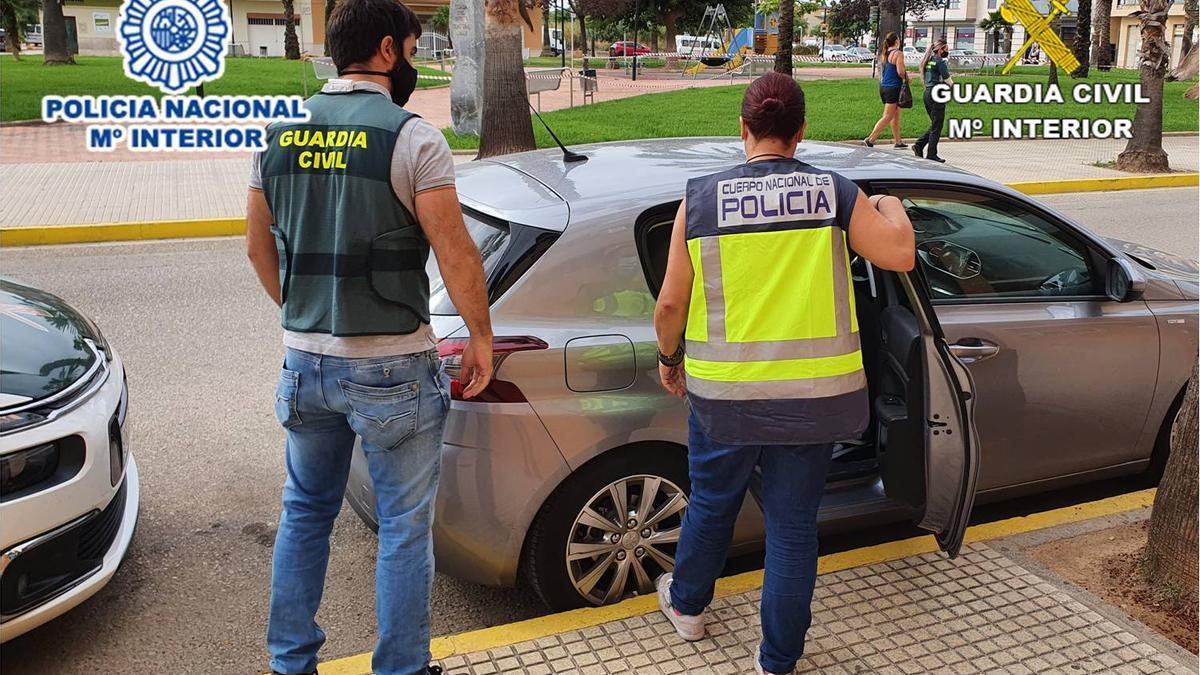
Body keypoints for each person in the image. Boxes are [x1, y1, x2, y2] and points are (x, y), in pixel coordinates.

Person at [244, 0, 495, 672]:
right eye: (413, 48)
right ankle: (402, 667)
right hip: (391, 368)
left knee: (304, 514)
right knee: (404, 530)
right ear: (387, 51)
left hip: (304, 362)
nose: (414, 61)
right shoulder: (411, 137)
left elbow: (257, 249)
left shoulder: (279, 131)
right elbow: (456, 252)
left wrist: (300, 313)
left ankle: (291, 662)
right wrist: (481, 336)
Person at [652, 72, 916, 675]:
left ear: (742, 129)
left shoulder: (698, 201)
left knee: (712, 505)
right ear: (801, 132)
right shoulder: (836, 194)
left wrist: (670, 360)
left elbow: (671, 304)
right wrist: (891, 204)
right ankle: (778, 659)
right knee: (794, 529)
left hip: (725, 397)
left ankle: (688, 607)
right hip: (815, 399)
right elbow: (900, 254)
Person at [864, 32, 909, 149]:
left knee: (895, 115)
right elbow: (900, 71)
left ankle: (898, 141)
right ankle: (870, 139)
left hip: (884, 87)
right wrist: (907, 78)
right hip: (893, 87)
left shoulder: (885, 53)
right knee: (888, 116)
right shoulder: (898, 54)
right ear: (897, 41)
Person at [914, 38, 953, 163]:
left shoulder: (928, 60)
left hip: (927, 94)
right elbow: (948, 80)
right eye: (946, 49)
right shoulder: (940, 61)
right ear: (940, 49)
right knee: (937, 126)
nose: (947, 51)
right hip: (937, 95)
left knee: (935, 124)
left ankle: (919, 145)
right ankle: (931, 154)